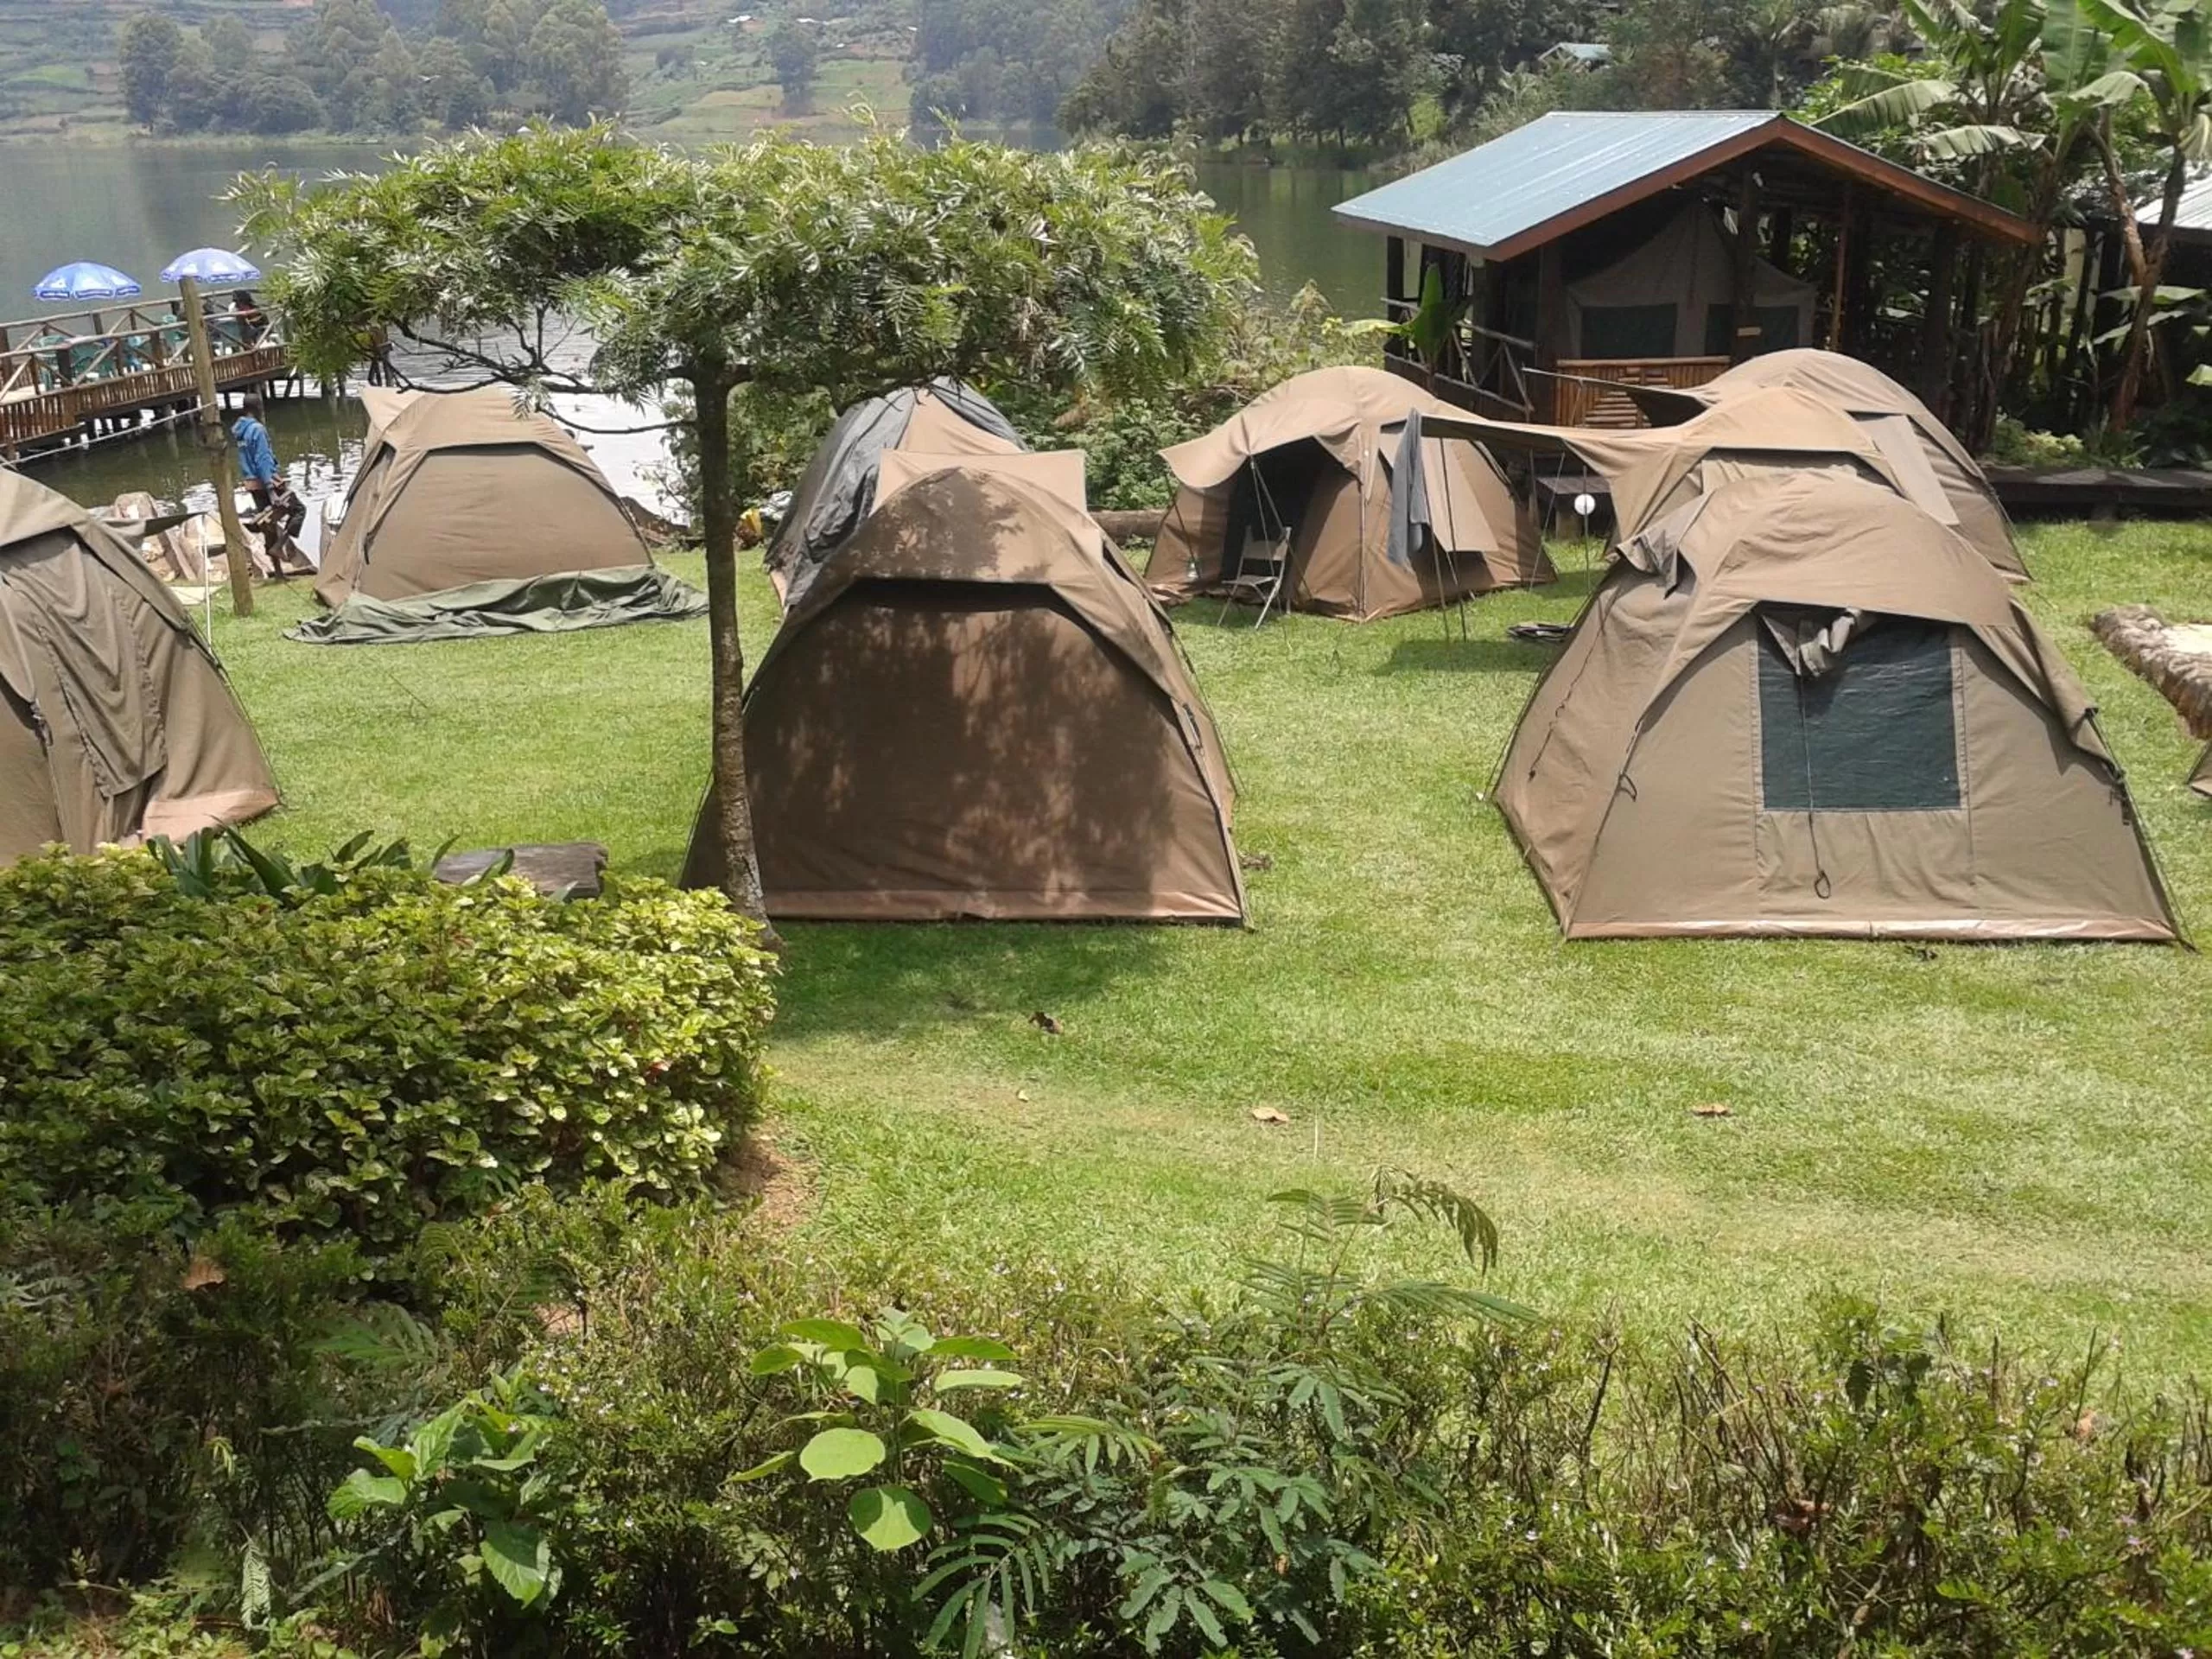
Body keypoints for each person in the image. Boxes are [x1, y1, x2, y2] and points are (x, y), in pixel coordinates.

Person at [231, 392, 306, 575]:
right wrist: (272, 490)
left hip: (252, 484)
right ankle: (280, 546)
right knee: (299, 510)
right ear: (258, 408)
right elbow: (263, 459)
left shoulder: (240, 432)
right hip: (267, 483)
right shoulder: (257, 429)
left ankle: (279, 572)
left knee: (269, 525)